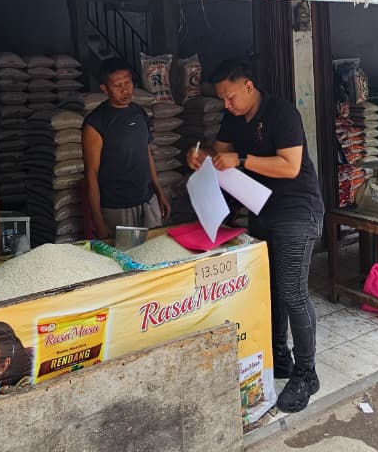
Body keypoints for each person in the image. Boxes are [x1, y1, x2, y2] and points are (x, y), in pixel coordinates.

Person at [186, 59, 323, 413]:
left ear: (248, 86)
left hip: (297, 211)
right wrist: (201, 156)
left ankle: (307, 373)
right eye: (222, 99)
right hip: (262, 209)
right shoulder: (234, 118)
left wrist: (242, 159)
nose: (226, 105)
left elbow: (290, 166)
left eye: (230, 97)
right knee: (270, 290)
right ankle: (280, 357)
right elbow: (220, 152)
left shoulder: (282, 113)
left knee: (293, 292)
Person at [83, 57, 171, 238]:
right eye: (118, 85)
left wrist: (159, 193)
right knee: (125, 254)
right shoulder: (96, 124)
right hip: (117, 208)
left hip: (148, 201)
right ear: (105, 89)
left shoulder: (139, 112)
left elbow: (147, 154)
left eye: (128, 83)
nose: (125, 90)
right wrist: (98, 221)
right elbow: (91, 174)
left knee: (154, 251)